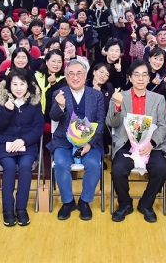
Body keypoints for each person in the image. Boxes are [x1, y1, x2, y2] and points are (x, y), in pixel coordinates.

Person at [107, 60, 166, 223]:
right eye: (137, 75)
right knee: (117, 170)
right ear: (130, 77)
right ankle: (125, 203)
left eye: (144, 75)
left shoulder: (158, 99)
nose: (140, 79)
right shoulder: (120, 96)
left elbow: (163, 126)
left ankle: (146, 204)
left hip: (150, 144)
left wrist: (152, 144)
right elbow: (111, 124)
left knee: (162, 170)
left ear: (149, 78)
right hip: (126, 143)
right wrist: (118, 106)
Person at [48, 60, 106, 221]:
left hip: (90, 141)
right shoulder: (59, 93)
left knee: (94, 164)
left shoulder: (96, 95)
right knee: (60, 164)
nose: (75, 77)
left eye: (79, 73)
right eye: (71, 74)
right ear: (66, 77)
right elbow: (53, 117)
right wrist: (59, 106)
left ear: (86, 75)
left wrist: (89, 143)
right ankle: (68, 201)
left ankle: (84, 201)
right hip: (63, 141)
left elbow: (101, 122)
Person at [0, 68, 45, 226]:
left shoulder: (34, 104)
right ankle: (8, 210)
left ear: (28, 85)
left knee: (24, 167)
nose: (18, 88)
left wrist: (23, 140)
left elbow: (39, 128)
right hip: (5, 146)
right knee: (8, 167)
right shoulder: (2, 103)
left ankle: (21, 208)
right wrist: (7, 111)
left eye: (22, 84)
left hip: (26, 146)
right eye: (14, 84)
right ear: (9, 86)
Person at [86, 63, 115, 159]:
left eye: (107, 74)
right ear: (94, 71)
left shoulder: (109, 87)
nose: (103, 76)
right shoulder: (85, 85)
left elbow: (107, 109)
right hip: (87, 122)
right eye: (101, 72)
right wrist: (93, 95)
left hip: (103, 122)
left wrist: (99, 95)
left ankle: (100, 153)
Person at [35, 49, 67, 122]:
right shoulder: (37, 76)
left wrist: (54, 84)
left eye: (59, 62)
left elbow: (62, 98)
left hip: (54, 117)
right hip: (36, 115)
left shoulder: (64, 79)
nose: (56, 64)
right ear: (46, 62)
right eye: (53, 61)